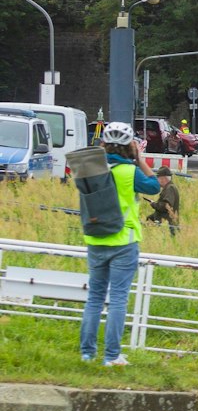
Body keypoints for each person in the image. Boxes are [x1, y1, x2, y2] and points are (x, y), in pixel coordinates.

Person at [79, 122, 159, 365]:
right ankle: (111, 356)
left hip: (96, 238)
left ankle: (87, 354)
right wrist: (140, 159)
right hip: (124, 241)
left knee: (94, 297)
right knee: (118, 299)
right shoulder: (129, 172)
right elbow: (154, 186)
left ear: (103, 144)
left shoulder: (92, 170)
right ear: (130, 146)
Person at [148, 168, 181, 236]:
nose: (157, 180)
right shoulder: (169, 187)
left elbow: (166, 206)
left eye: (158, 178)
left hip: (168, 226)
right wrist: (150, 218)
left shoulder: (170, 188)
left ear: (163, 178)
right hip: (167, 224)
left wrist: (154, 204)